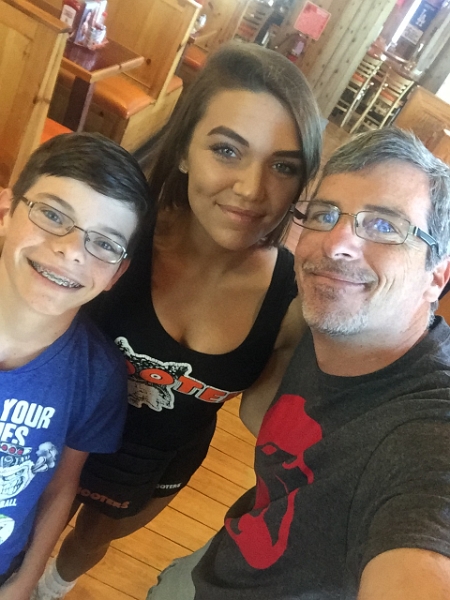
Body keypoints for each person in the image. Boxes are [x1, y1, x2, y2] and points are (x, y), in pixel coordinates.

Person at [34, 41, 323, 599]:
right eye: (227, 150)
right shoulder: (117, 233)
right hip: (56, 426)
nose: (251, 189)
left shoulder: (292, 302)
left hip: (156, 460)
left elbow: (269, 421)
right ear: (186, 148)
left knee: (90, 542)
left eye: (283, 166)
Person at [144, 127, 450, 599]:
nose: (337, 243)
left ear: (437, 276)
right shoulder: (318, 319)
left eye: (385, 226)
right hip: (227, 557)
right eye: (325, 215)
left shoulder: (427, 433)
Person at [0, 132, 150, 599]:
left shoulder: (98, 376)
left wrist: (25, 582)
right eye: (52, 214)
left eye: (104, 243)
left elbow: (60, 487)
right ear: (5, 210)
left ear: (116, 274)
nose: (71, 249)